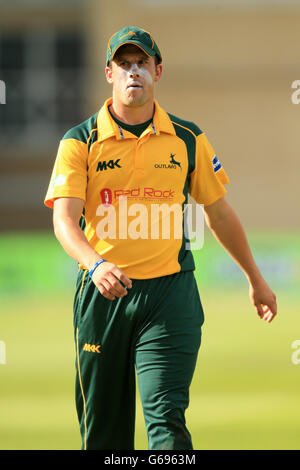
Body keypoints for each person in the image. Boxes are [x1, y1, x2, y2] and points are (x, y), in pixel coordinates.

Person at [44, 26, 277, 451]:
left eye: (142, 64)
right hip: (103, 298)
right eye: (123, 64)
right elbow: (65, 220)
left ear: (158, 71)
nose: (133, 72)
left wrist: (255, 278)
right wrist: (96, 265)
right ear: (109, 74)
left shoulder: (188, 139)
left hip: (170, 297)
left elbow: (218, 212)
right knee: (104, 438)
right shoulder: (80, 141)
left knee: (167, 421)